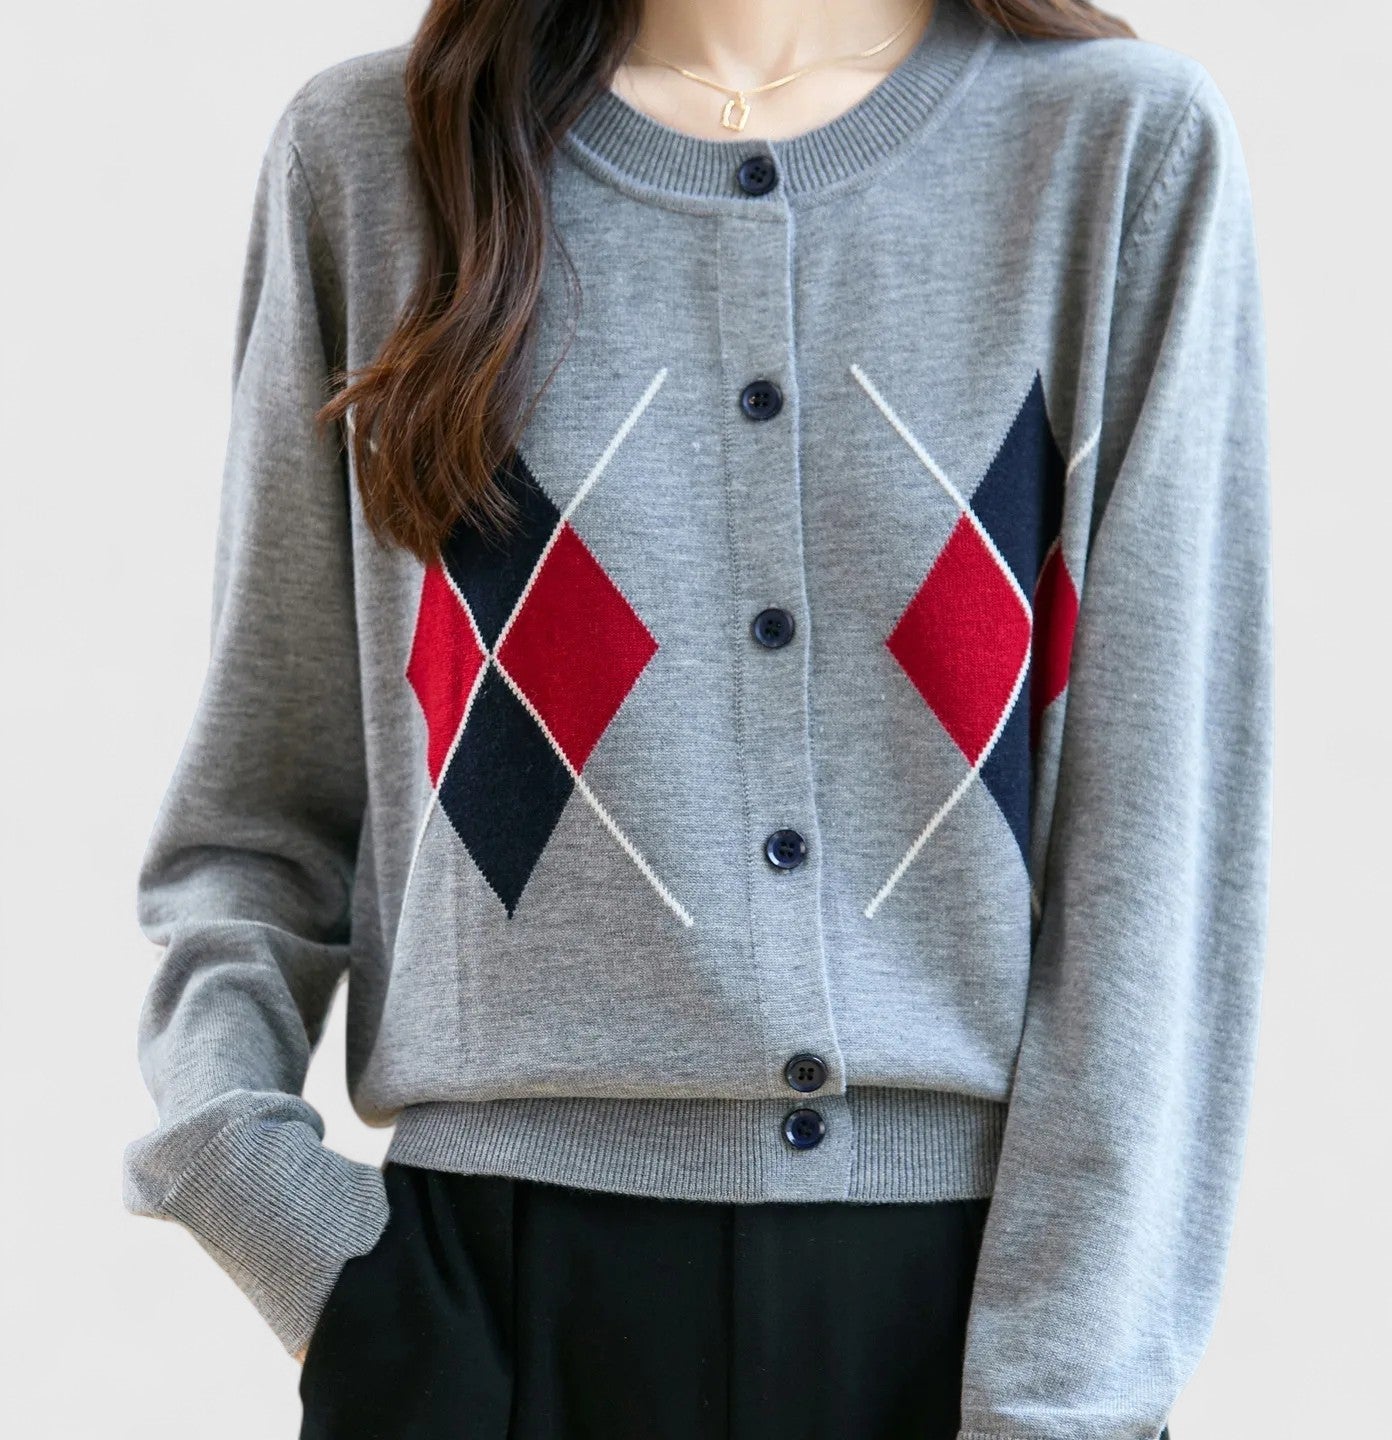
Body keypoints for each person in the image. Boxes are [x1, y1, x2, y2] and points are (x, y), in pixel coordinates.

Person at [121, 1, 1271, 1436]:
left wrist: (1067, 1401)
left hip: (959, 1306)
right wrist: (272, 1208)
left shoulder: (1114, 156)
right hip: (482, 1311)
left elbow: (1158, 861)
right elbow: (257, 820)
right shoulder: (374, 163)